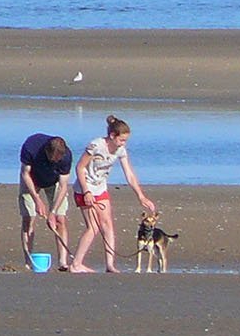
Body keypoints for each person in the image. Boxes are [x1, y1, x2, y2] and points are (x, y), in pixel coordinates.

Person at [70, 115, 157, 273]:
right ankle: (76, 264)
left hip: (100, 188)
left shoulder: (120, 151)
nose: (123, 144)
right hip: (84, 188)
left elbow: (129, 173)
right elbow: (79, 168)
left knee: (108, 224)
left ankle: (110, 264)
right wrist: (86, 191)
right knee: (93, 227)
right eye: (122, 140)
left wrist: (141, 196)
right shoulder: (96, 145)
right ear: (112, 136)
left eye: (125, 140)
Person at [18, 133, 73, 270]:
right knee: (28, 218)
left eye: (57, 160)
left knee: (60, 219)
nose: (54, 162)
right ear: (46, 152)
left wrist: (52, 212)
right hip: (32, 179)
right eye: (51, 159)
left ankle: (62, 262)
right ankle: (29, 262)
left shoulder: (66, 156)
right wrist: (37, 199)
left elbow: (63, 186)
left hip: (53, 182)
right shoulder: (31, 146)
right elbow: (25, 174)